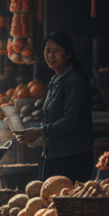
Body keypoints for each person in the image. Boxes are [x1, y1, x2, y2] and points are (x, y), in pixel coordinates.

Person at [14, 31, 94, 182]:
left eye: (56, 51)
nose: (51, 55)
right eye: (47, 51)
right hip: (55, 156)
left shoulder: (74, 81)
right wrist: (35, 132)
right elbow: (52, 119)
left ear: (68, 54)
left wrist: (39, 132)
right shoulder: (55, 81)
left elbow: (70, 121)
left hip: (72, 159)